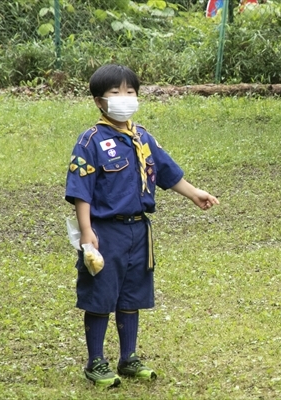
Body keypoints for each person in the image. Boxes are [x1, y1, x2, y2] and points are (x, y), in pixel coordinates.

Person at [65, 64, 219, 388]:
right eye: (116, 93)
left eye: (130, 92)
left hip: (139, 230)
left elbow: (166, 172)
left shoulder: (143, 137)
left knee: (131, 295)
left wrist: (194, 194)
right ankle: (95, 361)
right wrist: (87, 232)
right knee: (101, 294)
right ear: (99, 101)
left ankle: (128, 358)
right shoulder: (91, 141)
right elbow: (81, 190)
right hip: (105, 231)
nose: (125, 98)